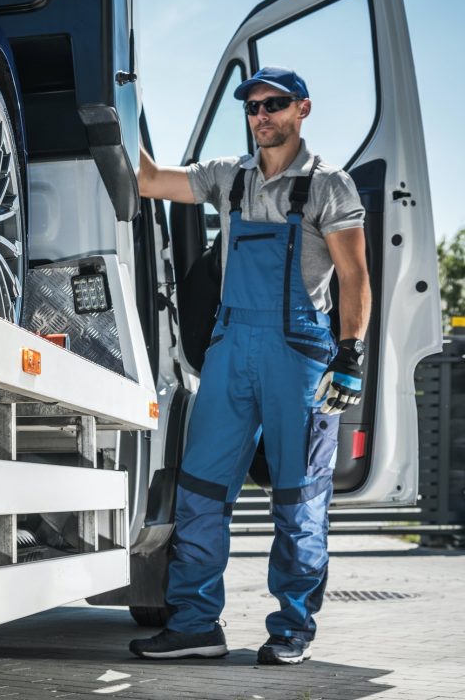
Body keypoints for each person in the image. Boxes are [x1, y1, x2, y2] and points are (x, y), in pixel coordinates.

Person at [129, 67, 371, 665]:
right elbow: (150, 179)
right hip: (231, 349)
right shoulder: (227, 177)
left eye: (274, 104)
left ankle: (292, 627)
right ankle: (194, 625)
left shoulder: (328, 186)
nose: (261, 115)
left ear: (302, 109)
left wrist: (349, 355)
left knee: (298, 498)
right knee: (201, 491)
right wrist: (112, 104)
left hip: (299, 356)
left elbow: (354, 275)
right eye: (253, 106)